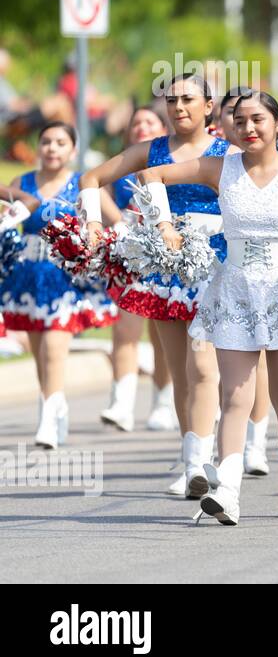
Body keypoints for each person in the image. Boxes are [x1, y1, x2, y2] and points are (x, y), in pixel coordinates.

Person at [138, 90, 278, 524]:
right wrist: (164, 224)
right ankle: (228, 494)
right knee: (234, 395)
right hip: (234, 288)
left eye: (258, 119)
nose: (249, 128)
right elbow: (151, 175)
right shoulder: (219, 166)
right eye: (239, 121)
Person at [81, 74, 228, 497]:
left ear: (208, 106)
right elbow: (91, 177)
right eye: (172, 99)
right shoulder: (150, 151)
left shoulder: (229, 152)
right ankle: (193, 462)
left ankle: (213, 455)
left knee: (204, 367)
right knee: (182, 372)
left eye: (189, 99)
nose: (179, 107)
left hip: (215, 267)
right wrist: (93, 220)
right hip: (165, 270)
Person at [1, 123, 119, 448]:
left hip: (66, 279)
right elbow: (6, 222)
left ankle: (48, 421)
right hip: (27, 277)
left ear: (73, 150)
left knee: (54, 348)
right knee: (40, 352)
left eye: (60, 142)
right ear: (38, 147)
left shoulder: (81, 185)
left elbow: (114, 221)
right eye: (46, 141)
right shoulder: (21, 183)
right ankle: (54, 406)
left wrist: (96, 242)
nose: (52, 148)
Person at [101, 105, 175, 433]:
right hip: (129, 253)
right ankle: (122, 403)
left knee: (162, 333)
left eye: (150, 121)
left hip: (166, 255)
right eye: (136, 123)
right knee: (125, 329)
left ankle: (162, 401)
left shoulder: (175, 161)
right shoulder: (122, 163)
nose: (142, 127)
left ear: (163, 127)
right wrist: (118, 221)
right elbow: (93, 185)